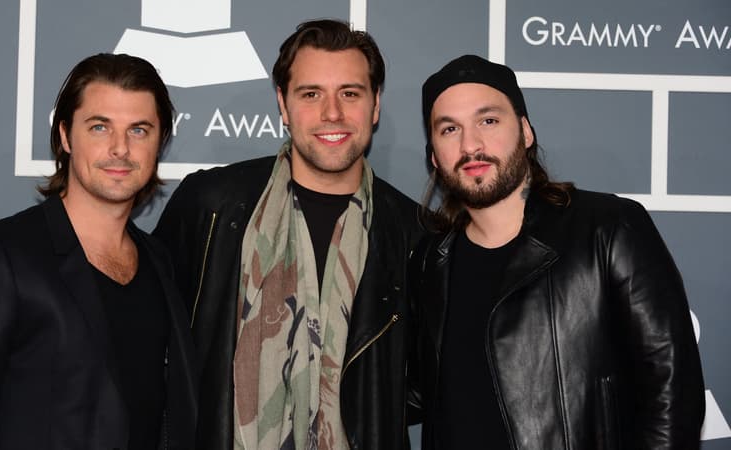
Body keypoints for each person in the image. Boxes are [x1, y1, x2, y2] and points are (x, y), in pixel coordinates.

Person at [410, 54, 705, 449]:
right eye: (449, 129)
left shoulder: (608, 228)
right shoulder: (430, 260)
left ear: (526, 132)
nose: (470, 144)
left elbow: (673, 396)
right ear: (434, 155)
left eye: (489, 121)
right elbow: (415, 395)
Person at [154, 18, 422, 450]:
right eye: (310, 94)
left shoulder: (413, 232)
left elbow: (421, 383)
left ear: (374, 106)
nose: (331, 113)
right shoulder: (212, 206)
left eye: (349, 94)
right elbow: (155, 344)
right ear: (282, 104)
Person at [0, 53, 197, 450]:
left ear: (159, 142)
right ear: (66, 136)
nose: (120, 148)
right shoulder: (0, 257)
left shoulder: (159, 260)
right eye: (99, 127)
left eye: (139, 130)